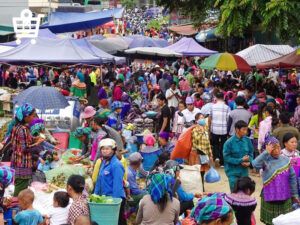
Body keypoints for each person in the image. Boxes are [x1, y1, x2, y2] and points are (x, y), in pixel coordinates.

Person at [252, 134, 299, 225]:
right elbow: (254, 164)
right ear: (268, 149)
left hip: (285, 198)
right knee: (271, 222)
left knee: (285, 221)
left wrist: (295, 196)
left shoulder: (286, 160)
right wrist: (266, 152)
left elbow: (292, 178)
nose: (277, 150)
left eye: (278, 147)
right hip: (270, 199)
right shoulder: (265, 160)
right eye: (273, 148)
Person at [11, 104, 44, 196]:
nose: (34, 118)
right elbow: (25, 148)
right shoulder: (24, 129)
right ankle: (17, 206)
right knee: (20, 189)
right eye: (33, 116)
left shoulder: (16, 127)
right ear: (26, 117)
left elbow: (21, 141)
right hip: (23, 163)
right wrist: (37, 143)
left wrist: (34, 138)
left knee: (19, 185)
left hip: (16, 161)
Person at [93, 138, 126, 225]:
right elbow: (98, 180)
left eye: (107, 149)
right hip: (105, 198)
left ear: (113, 150)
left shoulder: (116, 165)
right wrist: (95, 195)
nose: (104, 151)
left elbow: (117, 186)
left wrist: (115, 203)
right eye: (103, 149)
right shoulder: (103, 162)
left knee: (117, 221)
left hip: (115, 199)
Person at [223, 120, 254, 192]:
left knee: (245, 193)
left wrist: (249, 162)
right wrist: (241, 160)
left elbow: (251, 153)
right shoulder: (229, 142)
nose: (246, 132)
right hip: (232, 172)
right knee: (234, 193)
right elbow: (226, 158)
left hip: (244, 172)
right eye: (244, 130)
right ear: (237, 129)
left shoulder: (247, 140)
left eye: (246, 129)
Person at [189, 113, 213, 192]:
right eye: (200, 118)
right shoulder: (195, 129)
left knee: (202, 172)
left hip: (204, 154)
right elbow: (196, 139)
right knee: (196, 173)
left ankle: (201, 188)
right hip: (196, 154)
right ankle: (197, 189)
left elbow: (208, 142)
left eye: (203, 118)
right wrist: (201, 131)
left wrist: (210, 154)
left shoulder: (206, 129)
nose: (202, 119)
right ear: (196, 120)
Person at [209, 91, 230, 167]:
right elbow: (228, 119)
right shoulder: (227, 107)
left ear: (216, 98)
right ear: (223, 98)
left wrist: (209, 128)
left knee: (215, 144)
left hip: (214, 128)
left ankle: (216, 157)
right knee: (223, 145)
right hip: (223, 129)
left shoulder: (212, 107)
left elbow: (210, 118)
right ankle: (222, 162)